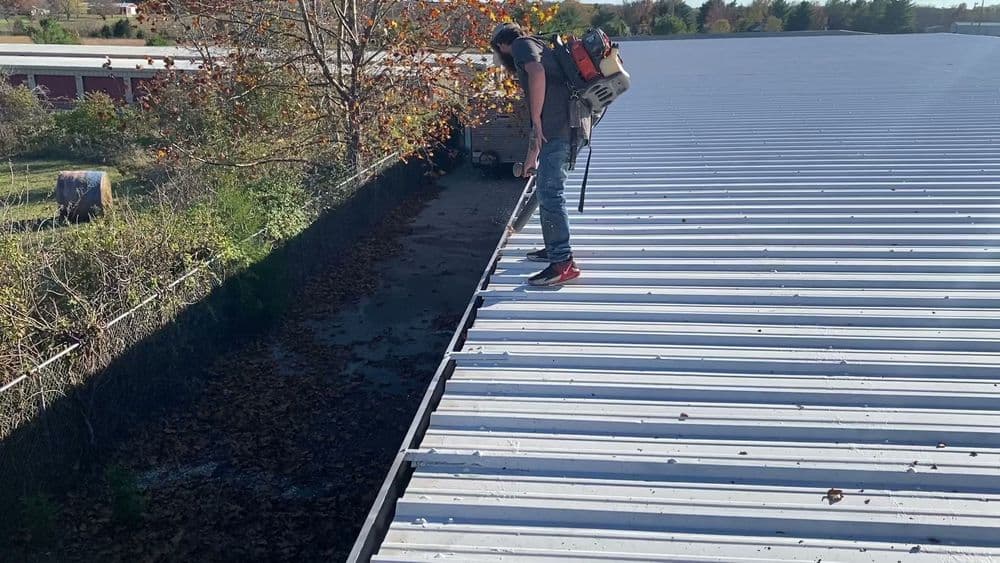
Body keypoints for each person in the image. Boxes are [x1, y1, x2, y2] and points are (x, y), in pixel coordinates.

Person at [491, 22, 581, 286]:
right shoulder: (539, 46)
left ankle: (563, 264)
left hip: (562, 131)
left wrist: (535, 117)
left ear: (501, 45)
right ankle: (555, 249)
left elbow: (537, 73)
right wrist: (532, 158)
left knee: (550, 193)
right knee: (545, 190)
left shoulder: (521, 46)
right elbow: (539, 127)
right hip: (562, 131)